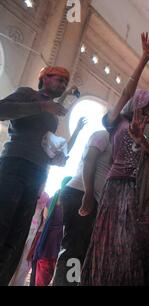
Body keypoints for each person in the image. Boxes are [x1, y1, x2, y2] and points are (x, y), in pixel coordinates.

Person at [81, 32, 149, 286]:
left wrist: (141, 139)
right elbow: (126, 91)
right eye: (148, 104)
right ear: (137, 103)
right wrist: (144, 58)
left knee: (127, 240)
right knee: (108, 237)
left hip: (136, 188)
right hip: (114, 186)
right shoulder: (117, 121)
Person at [0, 66, 74, 285]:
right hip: (14, 165)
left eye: (65, 82)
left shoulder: (53, 118)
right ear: (44, 78)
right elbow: (2, 109)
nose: (62, 85)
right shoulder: (27, 93)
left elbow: (41, 144)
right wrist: (42, 105)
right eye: (58, 79)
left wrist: (55, 158)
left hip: (38, 174)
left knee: (18, 236)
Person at [52, 130, 112, 286]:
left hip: (90, 197)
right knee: (74, 249)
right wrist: (89, 193)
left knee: (80, 251)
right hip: (80, 194)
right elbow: (89, 159)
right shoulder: (103, 135)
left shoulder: (117, 141)